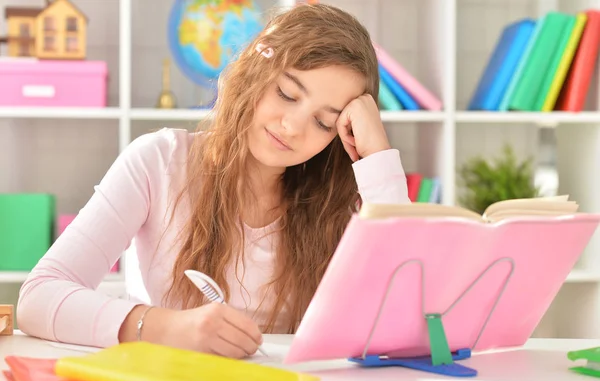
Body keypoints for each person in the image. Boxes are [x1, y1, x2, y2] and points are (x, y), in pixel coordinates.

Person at [16, 3, 410, 359]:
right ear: (256, 73)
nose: (291, 127)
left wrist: (378, 159)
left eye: (323, 122)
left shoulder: (337, 205)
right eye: (287, 94)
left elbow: (407, 314)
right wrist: (165, 328)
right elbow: (38, 298)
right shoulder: (158, 162)